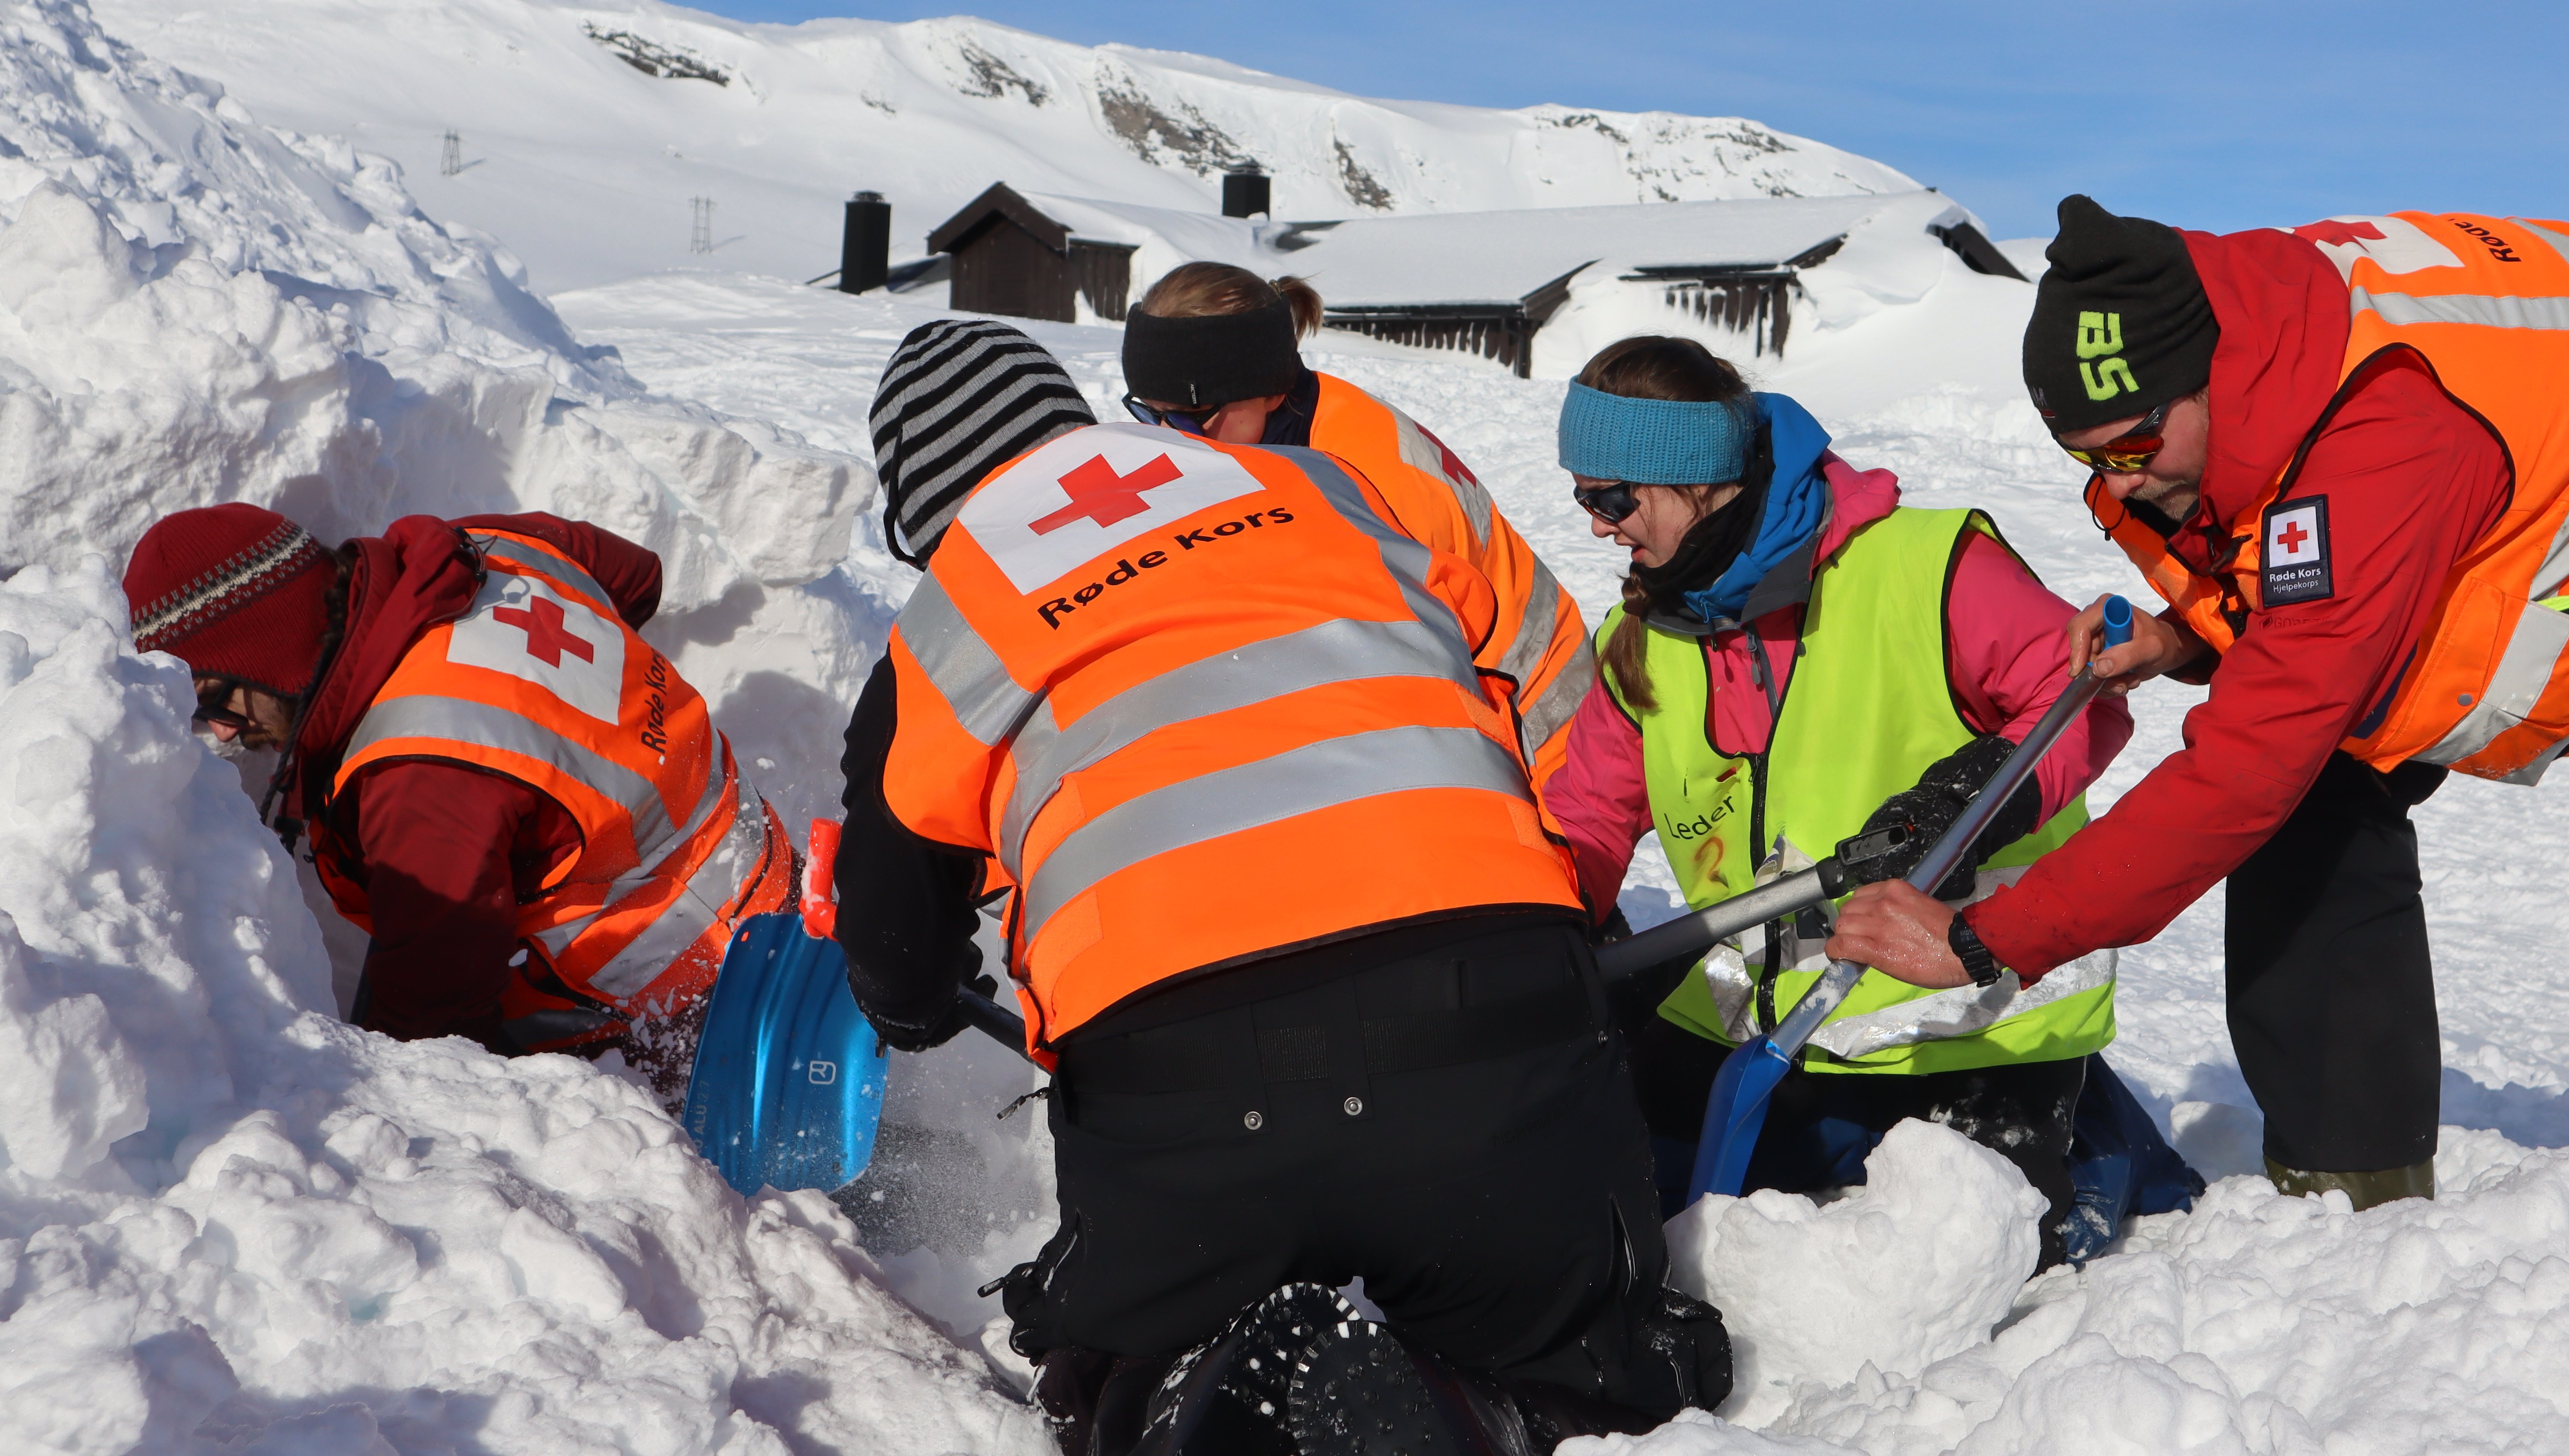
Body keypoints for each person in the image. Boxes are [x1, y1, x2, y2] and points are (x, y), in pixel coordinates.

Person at [1825, 198, 2569, 1250]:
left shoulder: (2378, 434)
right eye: (2088, 456)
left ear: (2216, 377)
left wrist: (1990, 938)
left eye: (2141, 444)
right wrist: (2187, 631)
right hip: (2518, 470)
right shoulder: (2237, 367)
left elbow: (2251, 747)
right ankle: (2351, 1197)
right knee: (2321, 799)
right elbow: (2277, 555)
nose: (2125, 479)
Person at [829, 319, 1724, 1454]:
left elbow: (891, 937)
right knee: (1580, 1339)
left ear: (927, 510)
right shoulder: (1319, 484)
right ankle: (1494, 1403)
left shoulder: (949, 616)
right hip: (1497, 1008)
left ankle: (1214, 1389)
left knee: (1140, 1361)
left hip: (1188, 1092)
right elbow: (1510, 658)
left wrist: (917, 996)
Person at [1540, 335, 2147, 1266]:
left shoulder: (1924, 564)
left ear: (1698, 479)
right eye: (1585, 497)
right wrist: (1525, 925)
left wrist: (1964, 801)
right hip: (1766, 1017)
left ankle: (2094, 1125)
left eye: (1612, 497)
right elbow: (1587, 817)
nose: (1598, 524)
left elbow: (2082, 707)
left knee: (1954, 1267)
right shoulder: (1645, 634)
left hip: (1968, 1012)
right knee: (1617, 1213)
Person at [121, 501, 794, 1077]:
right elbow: (633, 574)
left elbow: (434, 1033)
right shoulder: (487, 549)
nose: (220, 733)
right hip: (775, 883)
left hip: (684, 1005)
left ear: (267, 653)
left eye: (213, 701)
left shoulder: (422, 774)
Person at [1118, 261, 1595, 789]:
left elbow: (1401, 685)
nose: (1169, 438)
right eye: (1149, 414)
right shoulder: (1268, 440)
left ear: (1270, 390)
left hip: (1542, 739)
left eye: (1190, 415)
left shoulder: (1365, 482)